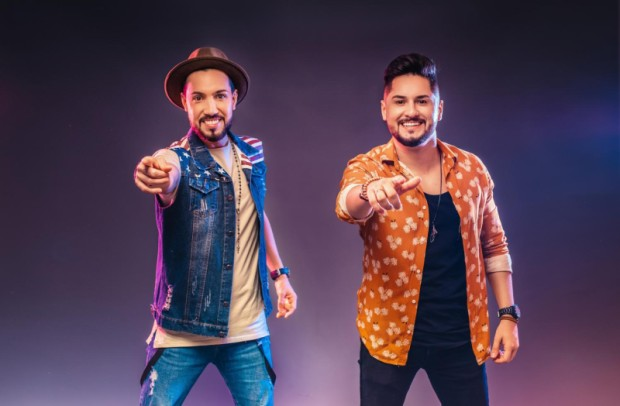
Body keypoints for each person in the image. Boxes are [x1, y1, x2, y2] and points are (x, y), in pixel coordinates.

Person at [335, 53, 520, 406]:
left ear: (439, 108)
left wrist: (508, 316)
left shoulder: (472, 170)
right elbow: (347, 205)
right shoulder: (369, 167)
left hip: (460, 337)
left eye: (422, 101)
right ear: (384, 109)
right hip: (388, 335)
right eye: (400, 101)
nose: (411, 111)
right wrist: (369, 191)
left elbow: (495, 246)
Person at [134, 47, 297, 406]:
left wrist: (280, 275)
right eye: (199, 98)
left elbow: (256, 214)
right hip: (182, 330)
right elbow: (166, 170)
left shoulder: (252, 152)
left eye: (220, 95)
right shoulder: (177, 158)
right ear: (185, 102)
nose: (211, 108)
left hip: (247, 331)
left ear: (234, 98)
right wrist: (157, 175)